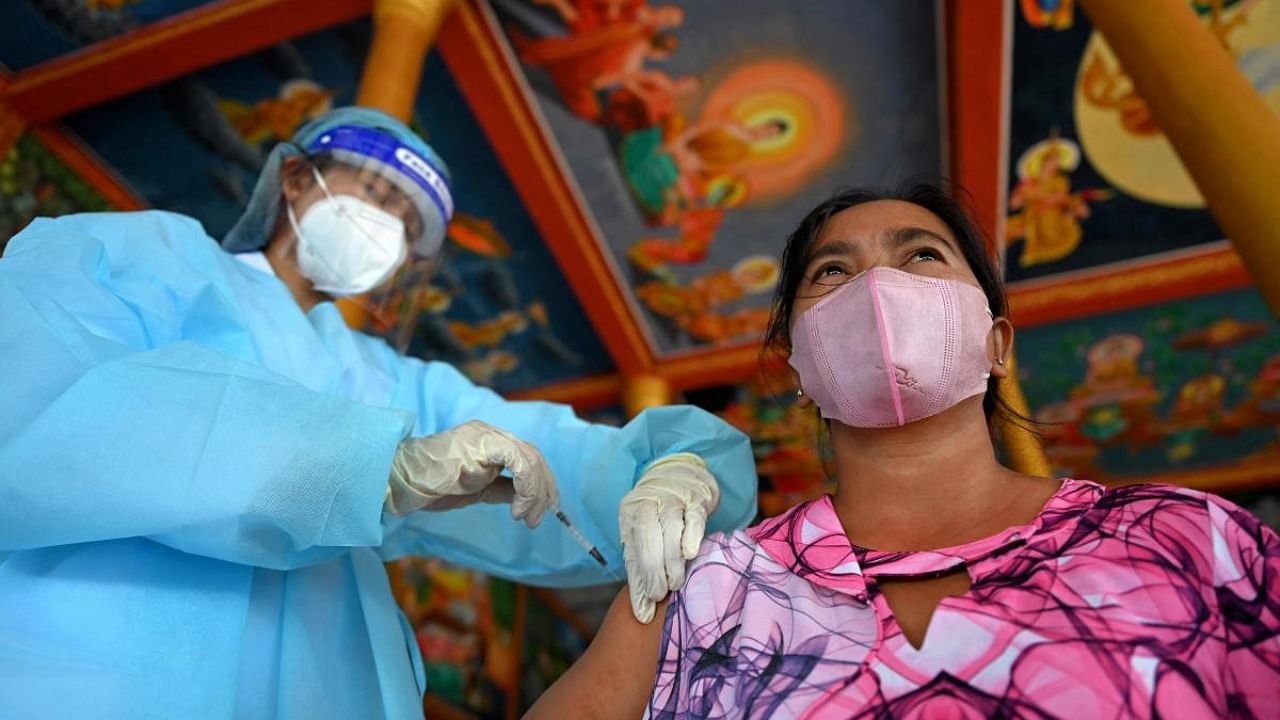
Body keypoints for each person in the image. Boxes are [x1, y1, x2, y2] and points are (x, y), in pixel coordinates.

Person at [0, 107, 758, 719]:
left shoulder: (386, 379)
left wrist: (675, 466)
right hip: (98, 667)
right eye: (374, 193)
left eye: (404, 221)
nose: (384, 227)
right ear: (296, 180)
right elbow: (39, 396)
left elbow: (542, 458)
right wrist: (362, 466)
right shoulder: (147, 256)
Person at [527, 184, 1280, 718]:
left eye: (921, 256)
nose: (878, 285)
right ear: (799, 363)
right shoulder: (703, 593)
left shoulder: (1185, 539)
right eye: (832, 271)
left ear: (998, 341)